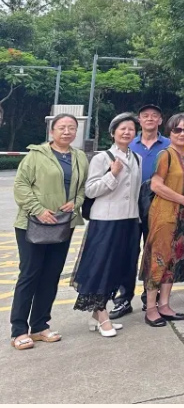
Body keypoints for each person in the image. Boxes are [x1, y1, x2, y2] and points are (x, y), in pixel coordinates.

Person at [10, 114, 88, 350]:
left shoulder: (79, 157)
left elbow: (82, 188)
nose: (67, 131)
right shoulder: (36, 155)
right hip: (33, 223)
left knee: (51, 275)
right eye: (62, 127)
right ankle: (19, 330)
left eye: (71, 128)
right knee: (30, 274)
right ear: (52, 131)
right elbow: (21, 185)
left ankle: (40, 326)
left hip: (63, 224)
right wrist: (38, 209)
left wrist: (75, 203)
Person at [73, 112, 142, 337]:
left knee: (119, 267)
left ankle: (97, 314)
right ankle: (102, 315)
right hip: (106, 221)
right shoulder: (102, 158)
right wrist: (112, 175)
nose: (127, 132)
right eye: (122, 128)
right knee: (101, 267)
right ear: (113, 132)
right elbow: (91, 189)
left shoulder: (137, 157)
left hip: (129, 220)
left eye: (131, 129)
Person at [139, 113, 184, 328]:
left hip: (182, 216)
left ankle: (164, 305)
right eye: (177, 129)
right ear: (170, 132)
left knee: (172, 261)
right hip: (164, 213)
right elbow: (156, 185)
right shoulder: (165, 154)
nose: (182, 133)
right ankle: (151, 307)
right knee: (158, 258)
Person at [111, 103, 171, 319]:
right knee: (128, 253)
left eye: (154, 115)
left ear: (160, 120)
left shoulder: (169, 145)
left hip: (158, 205)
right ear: (139, 119)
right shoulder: (128, 143)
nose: (150, 119)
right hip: (129, 206)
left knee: (155, 253)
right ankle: (124, 298)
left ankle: (150, 297)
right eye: (145, 115)